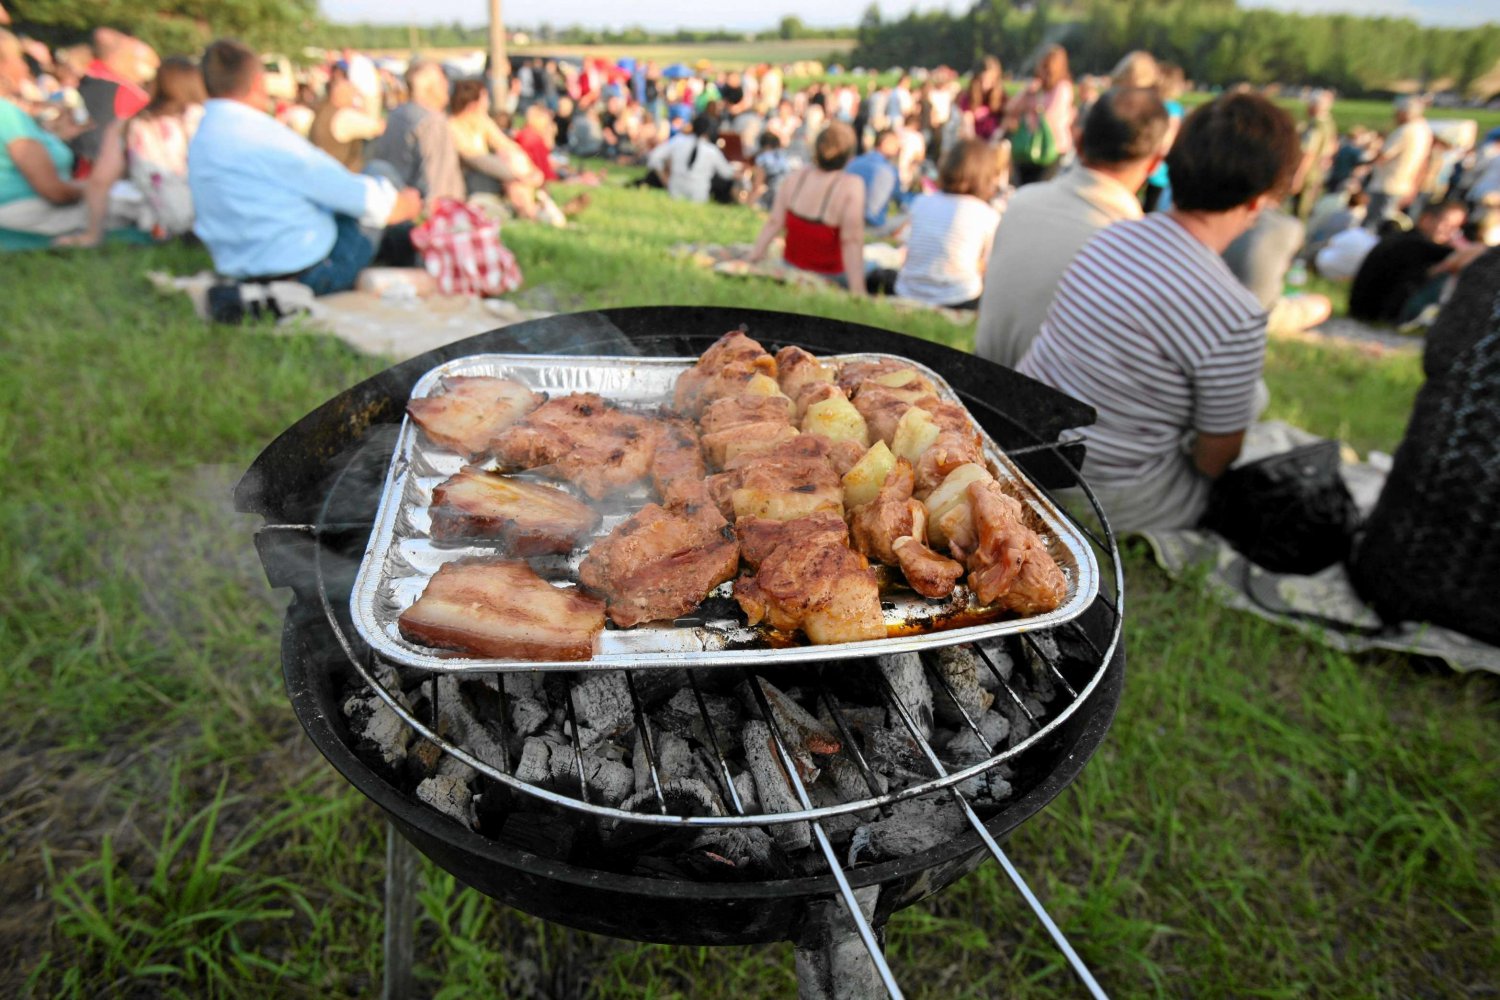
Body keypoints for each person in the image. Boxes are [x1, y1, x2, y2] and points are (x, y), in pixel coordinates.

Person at [1018, 92, 1301, 531]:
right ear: (1257, 203)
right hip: (1102, 494)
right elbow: (1214, 460)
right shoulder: (1233, 312)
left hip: (1024, 449)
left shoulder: (1109, 238)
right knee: (1252, 421)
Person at [188, 39, 422, 295]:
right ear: (258, 82)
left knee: (368, 198)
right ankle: (423, 261)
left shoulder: (203, 136)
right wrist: (401, 205)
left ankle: (408, 252)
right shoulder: (262, 134)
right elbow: (350, 193)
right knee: (379, 173)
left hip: (240, 266)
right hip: (310, 272)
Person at [975, 87, 1169, 368]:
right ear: (1154, 163)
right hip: (1050, 399)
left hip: (980, 379)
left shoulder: (1021, 201)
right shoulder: (1136, 247)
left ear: (1077, 141)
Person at [58, 55, 207, 246]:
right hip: (215, 219)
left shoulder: (130, 126)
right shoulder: (213, 121)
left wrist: (91, 234)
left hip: (164, 222)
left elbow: (100, 182)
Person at [749, 121, 866, 295]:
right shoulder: (851, 186)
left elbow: (774, 222)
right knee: (874, 267)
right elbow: (851, 240)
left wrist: (753, 258)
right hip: (830, 274)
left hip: (791, 265)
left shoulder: (796, 177)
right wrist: (858, 291)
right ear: (849, 155)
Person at [887, 139, 1002, 309]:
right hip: (958, 297)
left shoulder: (921, 202)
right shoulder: (986, 215)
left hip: (908, 291)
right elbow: (991, 267)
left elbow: (907, 243)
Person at [447, 79, 568, 226]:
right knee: (512, 169)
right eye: (485, 99)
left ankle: (535, 210)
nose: (488, 103)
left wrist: (530, 168)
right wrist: (517, 175)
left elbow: (505, 144)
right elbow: (476, 160)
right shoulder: (452, 127)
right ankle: (535, 212)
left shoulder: (481, 121)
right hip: (474, 181)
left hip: (497, 175)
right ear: (473, 104)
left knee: (513, 157)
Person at [0, 28, 86, 235]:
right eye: (19, 59)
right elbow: (53, 191)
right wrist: (96, 187)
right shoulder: (6, 113)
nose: (24, 66)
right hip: (21, 215)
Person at [1348, 200, 1474, 324]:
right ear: (1426, 220)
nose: (1451, 232)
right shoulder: (1414, 245)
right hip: (1378, 313)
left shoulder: (1403, 239)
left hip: (1363, 310)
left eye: (1455, 228)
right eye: (1447, 224)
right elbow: (1468, 256)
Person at [363, 60, 464, 207]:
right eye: (443, 83)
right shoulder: (433, 122)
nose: (447, 88)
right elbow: (438, 182)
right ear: (431, 89)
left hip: (394, 201)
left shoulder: (396, 114)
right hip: (422, 209)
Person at [1222, 205, 1332, 335]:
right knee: (1322, 304)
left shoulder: (1225, 212)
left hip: (1215, 294)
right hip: (1256, 311)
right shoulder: (1288, 226)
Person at [73, 28, 153, 166]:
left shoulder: (82, 80)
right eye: (132, 56)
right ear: (118, 56)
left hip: (78, 164)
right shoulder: (128, 93)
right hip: (105, 171)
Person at [1011, 44, 1075, 186]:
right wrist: (1026, 92)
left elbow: (1051, 116)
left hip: (1052, 148)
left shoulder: (1062, 88)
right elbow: (1011, 109)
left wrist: (1031, 109)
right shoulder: (1034, 88)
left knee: (1041, 187)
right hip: (1027, 147)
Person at [1365, 96, 1433, 227]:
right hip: (1404, 185)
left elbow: (1383, 156)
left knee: (1375, 224)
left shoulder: (1405, 130)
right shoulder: (1424, 130)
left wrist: (1375, 144)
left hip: (1388, 184)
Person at [645, 112, 735, 204]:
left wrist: (664, 177)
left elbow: (654, 157)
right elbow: (727, 173)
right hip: (699, 197)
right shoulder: (712, 150)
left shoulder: (678, 141)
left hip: (675, 192)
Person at [308, 71, 384, 171]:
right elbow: (379, 128)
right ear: (345, 95)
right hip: (344, 172)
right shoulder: (345, 116)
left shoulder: (323, 110)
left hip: (323, 169)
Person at [1290, 90, 1337, 222]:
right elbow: (1332, 148)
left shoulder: (1315, 126)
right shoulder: (1329, 123)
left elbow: (1308, 153)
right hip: (1317, 172)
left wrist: (1298, 176)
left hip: (1307, 173)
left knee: (1299, 214)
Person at [844, 128, 901, 231]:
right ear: (885, 143)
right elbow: (899, 198)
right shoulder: (889, 170)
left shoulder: (855, 162)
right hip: (873, 223)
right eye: (895, 144)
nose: (898, 148)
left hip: (849, 219)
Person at [957, 57, 1006, 143]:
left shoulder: (1002, 98)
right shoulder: (968, 97)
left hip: (994, 141)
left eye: (990, 79)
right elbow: (966, 119)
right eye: (982, 79)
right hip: (974, 142)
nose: (985, 83)